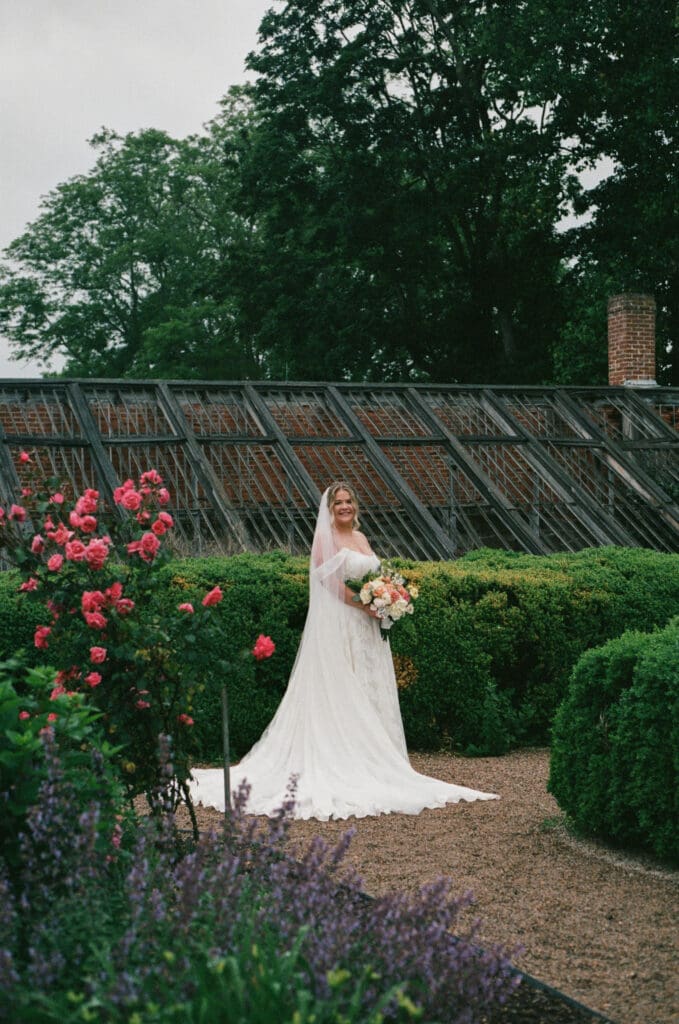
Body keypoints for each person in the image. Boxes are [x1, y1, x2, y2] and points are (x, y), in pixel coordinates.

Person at [190, 482, 498, 819]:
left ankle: (376, 758)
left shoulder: (362, 539)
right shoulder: (326, 539)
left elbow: (376, 576)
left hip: (368, 628)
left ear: (356, 505)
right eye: (338, 502)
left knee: (368, 687)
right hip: (341, 625)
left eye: (349, 500)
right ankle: (343, 756)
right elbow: (328, 582)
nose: (344, 506)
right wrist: (364, 603)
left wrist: (387, 599)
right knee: (342, 690)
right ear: (330, 508)